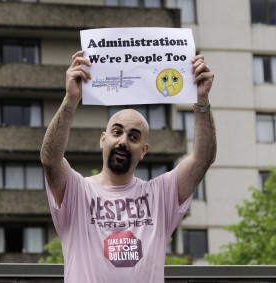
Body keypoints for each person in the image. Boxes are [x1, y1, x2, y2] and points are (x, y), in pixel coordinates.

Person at [40, 50, 216, 283]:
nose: (123, 141)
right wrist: (71, 100)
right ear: (103, 139)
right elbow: (50, 159)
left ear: (143, 151)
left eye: (134, 137)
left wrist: (201, 102)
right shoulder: (77, 192)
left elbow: (202, 159)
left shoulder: (159, 195)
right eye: (117, 132)